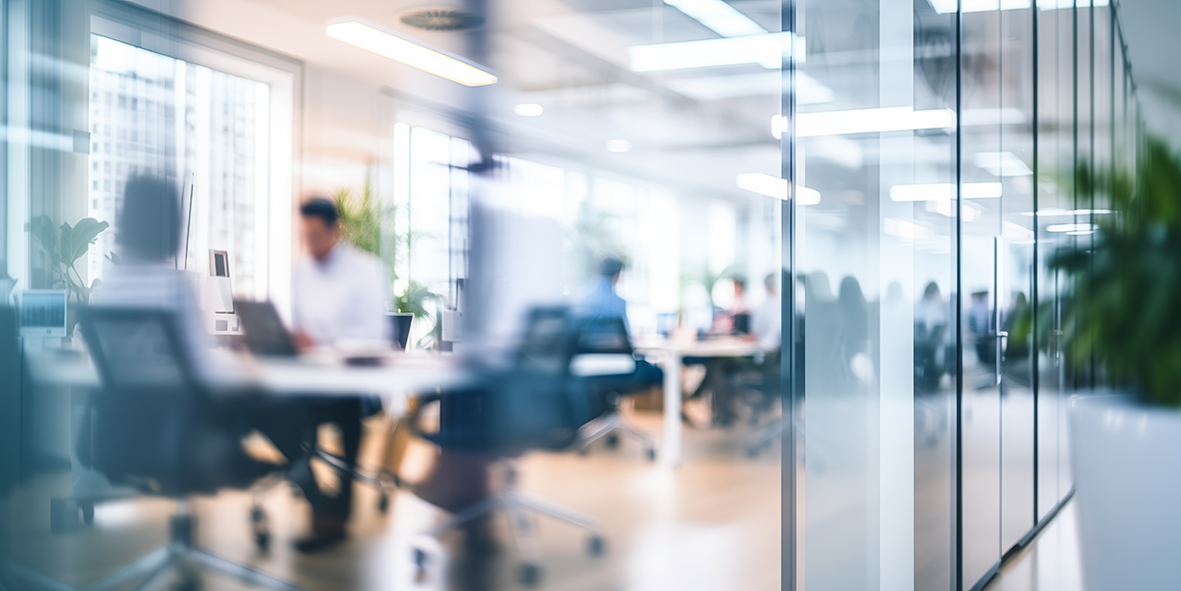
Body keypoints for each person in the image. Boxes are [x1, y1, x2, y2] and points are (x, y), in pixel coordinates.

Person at [262, 197, 390, 552]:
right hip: (309, 377)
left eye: (317, 235)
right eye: (305, 235)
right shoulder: (299, 271)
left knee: (347, 410)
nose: (311, 243)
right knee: (266, 409)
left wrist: (324, 341)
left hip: (351, 382)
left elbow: (374, 337)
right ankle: (318, 498)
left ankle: (341, 510)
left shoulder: (366, 270)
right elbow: (300, 329)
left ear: (336, 230)